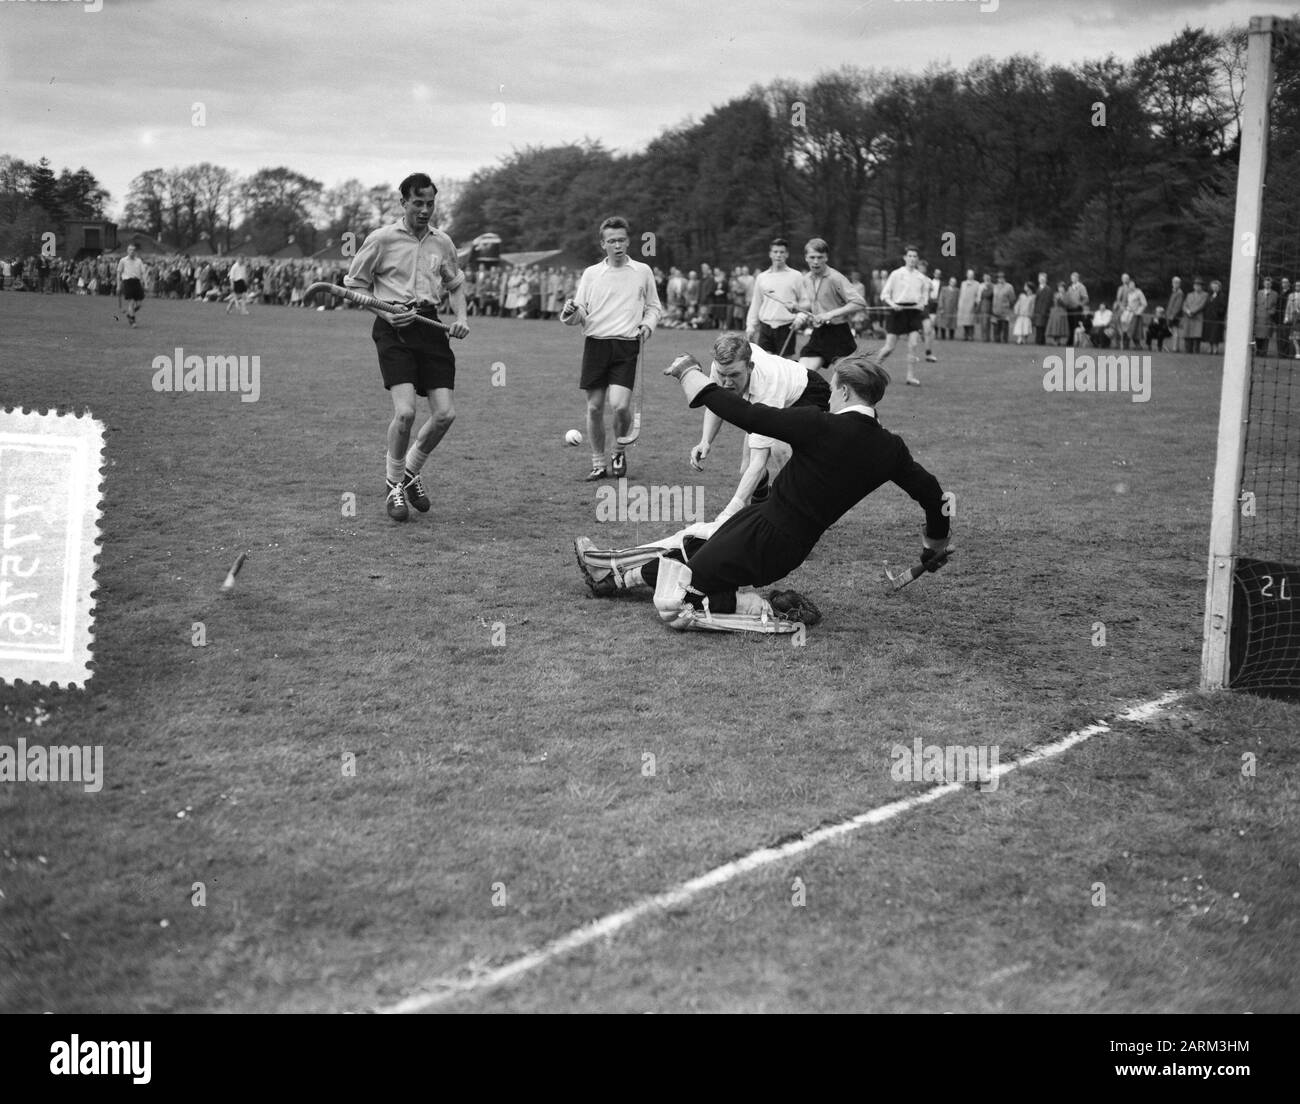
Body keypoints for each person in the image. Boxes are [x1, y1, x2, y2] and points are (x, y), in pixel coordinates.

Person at [572, 355, 951, 634]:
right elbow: (933, 495)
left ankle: (769, 607)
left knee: (679, 603)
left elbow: (748, 415)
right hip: (779, 534)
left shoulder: (819, 425)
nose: (829, 395)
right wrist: (933, 543)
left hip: (766, 539)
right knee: (692, 546)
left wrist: (690, 374)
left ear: (845, 390)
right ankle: (612, 578)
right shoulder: (891, 449)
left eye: (833, 388)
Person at [343, 171, 470, 523]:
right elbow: (355, 285)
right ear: (403, 203)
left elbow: (456, 284)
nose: (425, 209)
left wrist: (461, 317)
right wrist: (383, 312)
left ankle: (412, 470)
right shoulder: (381, 239)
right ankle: (394, 483)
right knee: (406, 413)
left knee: (445, 414)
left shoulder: (442, 242)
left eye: (430, 203)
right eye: (418, 203)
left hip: (430, 326)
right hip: (393, 328)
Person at [560, 215, 663, 481]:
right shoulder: (592, 274)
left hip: (627, 345)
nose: (617, 245)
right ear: (603, 244)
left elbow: (654, 307)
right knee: (594, 407)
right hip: (596, 344)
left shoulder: (643, 272)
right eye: (611, 241)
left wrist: (647, 325)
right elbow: (580, 312)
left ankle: (618, 451)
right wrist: (570, 311)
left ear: (628, 242)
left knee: (619, 406)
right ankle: (597, 462)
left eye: (621, 240)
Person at [689, 331, 832, 518]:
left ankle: (798, 511)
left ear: (750, 366)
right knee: (745, 468)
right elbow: (718, 402)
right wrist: (705, 440)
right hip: (781, 388)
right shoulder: (721, 366)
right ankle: (762, 501)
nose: (726, 383)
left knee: (780, 452)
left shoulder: (767, 386)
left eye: (734, 375)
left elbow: (759, 461)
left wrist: (727, 514)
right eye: (723, 375)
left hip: (807, 394)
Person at [792, 238, 866, 377]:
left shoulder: (835, 278)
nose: (816, 261)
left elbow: (859, 302)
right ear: (806, 258)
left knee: (846, 382)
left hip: (839, 334)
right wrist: (798, 310)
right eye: (812, 257)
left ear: (826, 257)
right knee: (801, 376)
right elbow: (812, 304)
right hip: (819, 333)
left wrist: (830, 314)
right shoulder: (806, 279)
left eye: (820, 257)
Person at [874, 245, 930, 385]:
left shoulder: (921, 277)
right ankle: (873, 370)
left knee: (913, 344)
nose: (912, 259)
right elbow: (884, 295)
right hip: (897, 312)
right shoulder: (896, 274)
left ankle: (910, 377)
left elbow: (924, 298)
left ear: (917, 259)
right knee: (889, 348)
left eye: (914, 256)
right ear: (905, 258)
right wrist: (893, 305)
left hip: (914, 313)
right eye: (909, 256)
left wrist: (921, 304)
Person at [746, 238, 806, 355]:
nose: (778, 255)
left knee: (785, 365)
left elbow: (805, 302)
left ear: (787, 254)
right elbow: (756, 304)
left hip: (787, 327)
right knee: (766, 366)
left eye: (782, 252)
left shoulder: (796, 276)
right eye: (775, 252)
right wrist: (750, 326)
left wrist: (800, 318)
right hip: (766, 327)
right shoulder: (762, 277)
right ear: (770, 254)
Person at [115, 244, 147, 327]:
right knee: (131, 302)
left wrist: (146, 283)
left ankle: (129, 314)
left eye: (133, 250)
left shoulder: (139, 261)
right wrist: (118, 285)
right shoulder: (123, 260)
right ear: (127, 251)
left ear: (135, 251)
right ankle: (133, 321)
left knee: (139, 305)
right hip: (127, 282)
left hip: (137, 282)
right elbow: (118, 273)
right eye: (130, 250)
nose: (132, 251)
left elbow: (143, 273)